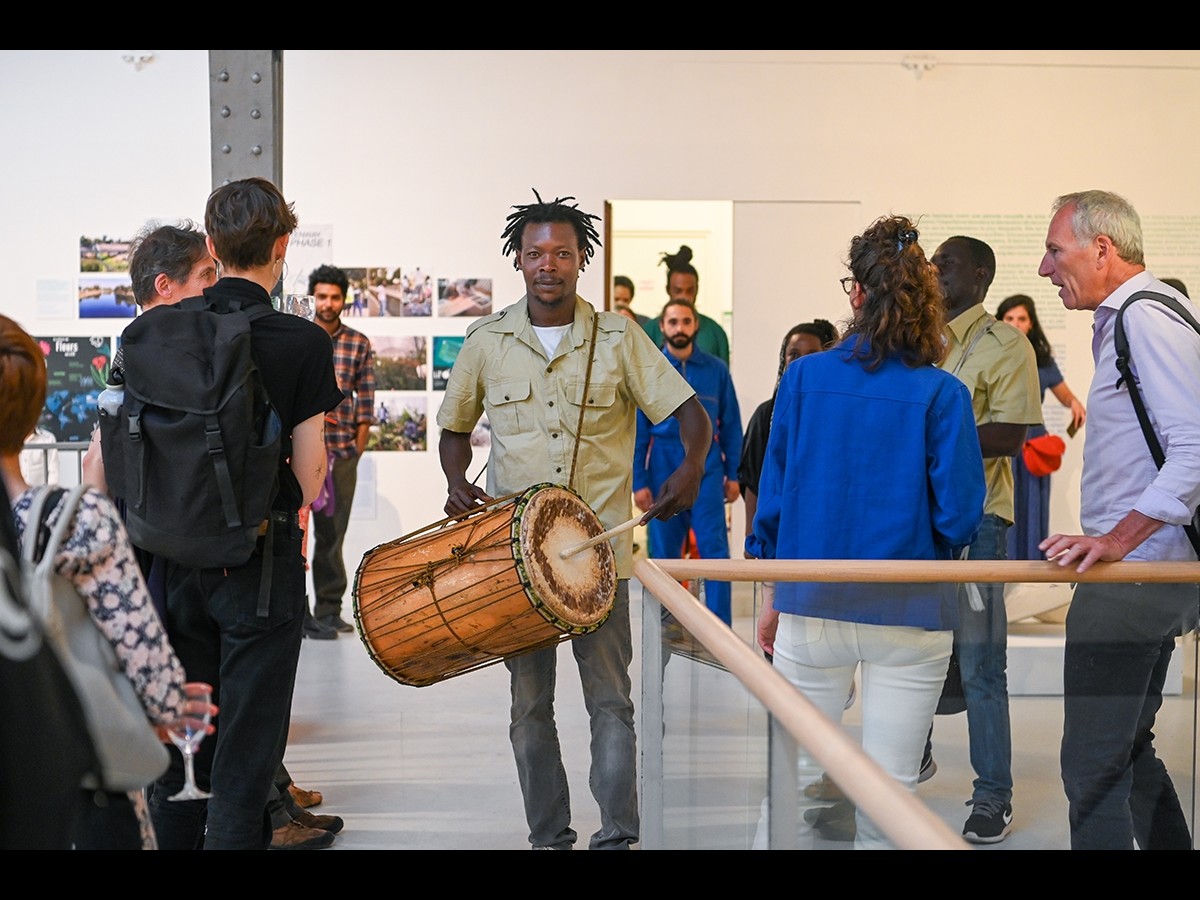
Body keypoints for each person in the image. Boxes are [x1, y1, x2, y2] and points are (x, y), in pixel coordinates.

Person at [437, 190, 710, 850]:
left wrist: (692, 466)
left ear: (582, 257)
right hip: (515, 561)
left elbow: (689, 413)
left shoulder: (618, 337)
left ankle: (617, 836)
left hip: (599, 554)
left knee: (610, 701)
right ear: (518, 260)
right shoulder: (487, 341)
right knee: (529, 706)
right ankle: (548, 838)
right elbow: (454, 428)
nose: (548, 265)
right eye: (536, 253)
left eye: (562, 252)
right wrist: (453, 481)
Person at [745, 216, 985, 850]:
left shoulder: (801, 380)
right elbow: (960, 517)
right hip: (910, 607)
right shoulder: (943, 393)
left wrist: (771, 594)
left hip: (811, 600)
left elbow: (773, 501)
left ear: (855, 291)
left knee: (791, 783)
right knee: (891, 796)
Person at [146, 177, 344, 850]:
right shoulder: (302, 342)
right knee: (245, 757)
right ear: (282, 246)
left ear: (211, 246)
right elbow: (311, 472)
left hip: (174, 563)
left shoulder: (157, 332)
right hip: (260, 568)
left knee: (184, 750)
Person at [0, 312, 202, 850]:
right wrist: (168, 702)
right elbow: (148, 666)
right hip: (76, 775)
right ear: (30, 416)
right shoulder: (76, 520)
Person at [1037, 189, 1200, 851]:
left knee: (1092, 767)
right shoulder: (1140, 317)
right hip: (1147, 576)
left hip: (1133, 580)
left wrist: (1115, 540)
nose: (1046, 269)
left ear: (1101, 249)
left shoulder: (1144, 318)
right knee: (1128, 751)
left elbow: (1192, 447)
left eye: (1055, 250)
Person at [925, 235, 1041, 844]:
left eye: (946, 263)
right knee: (908, 649)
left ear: (981, 274)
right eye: (932, 263)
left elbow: (1010, 436)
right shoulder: (918, 339)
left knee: (980, 663)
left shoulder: (1005, 343)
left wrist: (933, 437)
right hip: (918, 522)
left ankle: (993, 796)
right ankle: (907, 755)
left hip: (979, 523)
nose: (935, 270)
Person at [81, 221, 218, 496]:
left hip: (138, 522)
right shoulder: (206, 351)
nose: (216, 286)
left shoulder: (127, 355)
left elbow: (94, 460)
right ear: (164, 285)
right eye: (207, 275)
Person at [634, 298, 742, 625]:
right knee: (664, 552)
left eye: (685, 321)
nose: (679, 328)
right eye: (672, 322)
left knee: (714, 550)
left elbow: (732, 424)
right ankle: (664, 628)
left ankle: (719, 628)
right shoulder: (651, 371)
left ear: (695, 326)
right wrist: (638, 481)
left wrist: (735, 474)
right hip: (663, 462)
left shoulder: (716, 370)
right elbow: (638, 431)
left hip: (708, 466)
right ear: (662, 327)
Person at [306, 263, 376, 639]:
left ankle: (329, 610)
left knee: (332, 535)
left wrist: (357, 448)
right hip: (301, 452)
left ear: (344, 300)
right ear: (312, 297)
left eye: (334, 296)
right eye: (322, 296)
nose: (328, 303)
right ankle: (299, 614)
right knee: (296, 534)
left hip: (342, 453)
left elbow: (366, 399)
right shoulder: (300, 336)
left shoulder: (358, 343)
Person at [994, 294, 1087, 560]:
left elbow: (1064, 394)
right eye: (1009, 318)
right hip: (999, 436)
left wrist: (1074, 404)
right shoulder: (991, 356)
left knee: (1031, 502)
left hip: (1032, 440)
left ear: (1031, 323)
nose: (1015, 324)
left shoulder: (1041, 359)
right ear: (1000, 321)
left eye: (1021, 318)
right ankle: (999, 561)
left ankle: (1029, 567)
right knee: (1002, 503)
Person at [643, 245, 731, 364]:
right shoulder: (650, 331)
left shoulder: (715, 332)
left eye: (689, 290)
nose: (684, 296)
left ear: (697, 289)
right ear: (668, 290)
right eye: (678, 290)